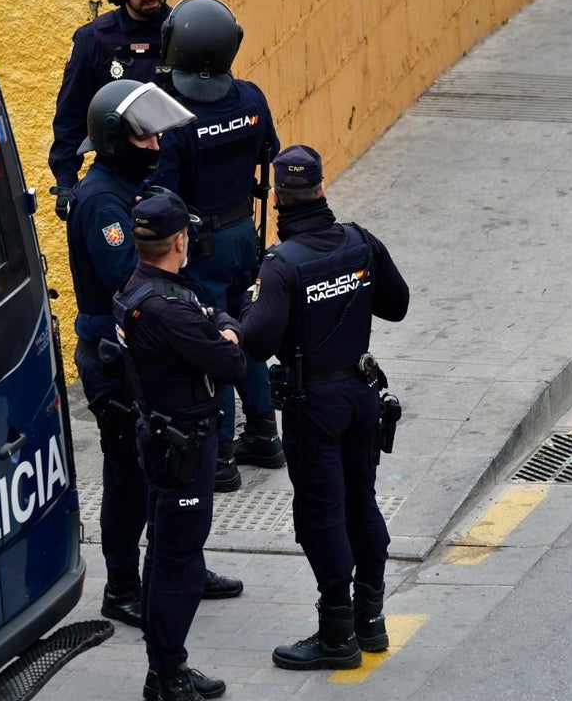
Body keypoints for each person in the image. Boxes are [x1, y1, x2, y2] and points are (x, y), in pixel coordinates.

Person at [66, 78, 243, 630]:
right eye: (143, 139)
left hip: (147, 354)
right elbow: (134, 284)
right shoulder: (101, 203)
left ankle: (182, 563)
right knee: (129, 476)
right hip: (116, 360)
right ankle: (121, 586)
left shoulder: (131, 190)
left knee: (171, 472)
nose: (156, 147)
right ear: (117, 140)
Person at [240, 144, 410, 670]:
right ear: (321, 189)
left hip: (313, 407)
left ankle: (337, 634)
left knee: (322, 513)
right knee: (362, 499)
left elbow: (256, 342)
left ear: (281, 200)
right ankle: (372, 621)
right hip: (362, 397)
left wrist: (249, 304)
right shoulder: (361, 243)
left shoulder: (282, 265)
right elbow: (397, 305)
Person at [113, 190, 246, 701]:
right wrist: (228, 332)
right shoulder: (169, 310)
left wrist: (221, 327)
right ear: (179, 241)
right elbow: (231, 361)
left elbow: (211, 315)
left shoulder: (143, 289)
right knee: (178, 562)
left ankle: (165, 667)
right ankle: (167, 675)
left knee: (164, 554)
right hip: (182, 446)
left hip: (164, 436)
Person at [150, 0, 285, 493]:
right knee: (244, 333)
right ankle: (265, 435)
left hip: (199, 244)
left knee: (212, 343)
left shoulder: (173, 117)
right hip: (241, 237)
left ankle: (222, 456)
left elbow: (163, 191)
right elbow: (268, 151)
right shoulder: (251, 99)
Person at [49, 0, 182, 220]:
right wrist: (66, 182)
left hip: (179, 173)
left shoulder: (187, 29)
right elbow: (71, 117)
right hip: (120, 179)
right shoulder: (94, 40)